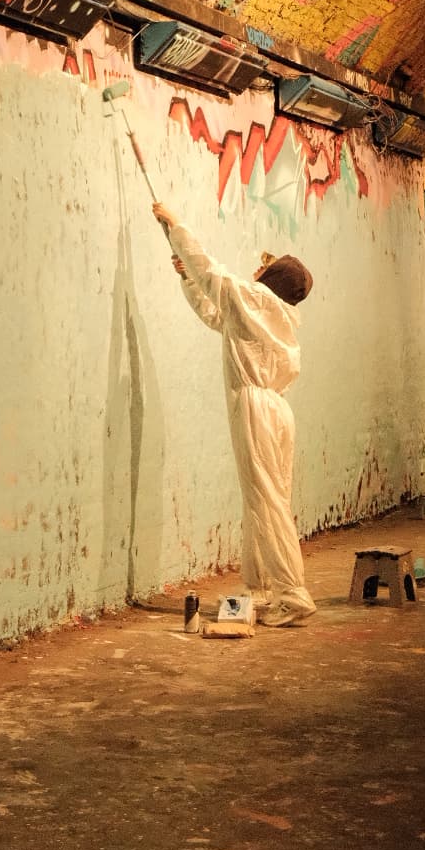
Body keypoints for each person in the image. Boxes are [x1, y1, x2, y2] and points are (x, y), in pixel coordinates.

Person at [152, 202, 316, 627]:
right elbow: (215, 315)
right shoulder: (271, 314)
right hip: (277, 411)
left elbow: (212, 272)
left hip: (256, 409)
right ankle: (262, 587)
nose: (256, 270)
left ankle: (292, 593)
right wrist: (187, 277)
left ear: (270, 279)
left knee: (265, 499)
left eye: (265, 267)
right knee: (262, 499)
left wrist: (176, 228)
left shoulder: (255, 298)